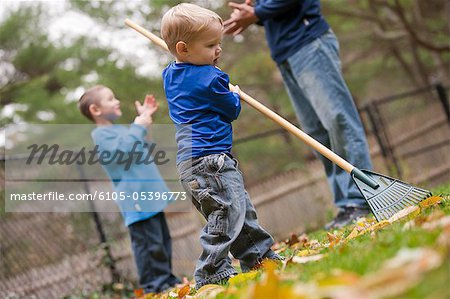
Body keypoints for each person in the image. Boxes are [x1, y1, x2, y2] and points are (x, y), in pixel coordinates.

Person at [160, 3, 281, 290]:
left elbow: (185, 73)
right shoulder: (213, 79)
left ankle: (260, 258)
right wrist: (234, 95)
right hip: (211, 160)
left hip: (190, 163)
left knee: (239, 210)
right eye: (211, 44)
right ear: (183, 49)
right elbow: (231, 110)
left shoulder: (169, 75)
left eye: (219, 43)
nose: (218, 51)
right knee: (225, 216)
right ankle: (211, 272)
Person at [224, 0, 374, 229]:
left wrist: (257, 12)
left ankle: (361, 198)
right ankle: (347, 205)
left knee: (338, 120)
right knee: (317, 133)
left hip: (309, 43)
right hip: (286, 53)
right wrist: (254, 13)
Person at [78, 85, 181, 294]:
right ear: (96, 110)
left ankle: (168, 280)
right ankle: (155, 287)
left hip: (149, 196)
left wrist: (144, 121)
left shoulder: (120, 130)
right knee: (149, 244)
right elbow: (122, 151)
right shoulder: (101, 135)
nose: (116, 101)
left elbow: (142, 144)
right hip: (137, 199)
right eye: (110, 98)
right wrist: (137, 125)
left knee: (161, 240)